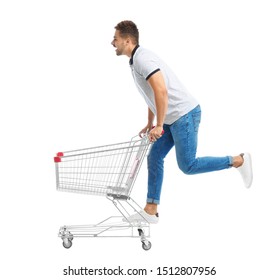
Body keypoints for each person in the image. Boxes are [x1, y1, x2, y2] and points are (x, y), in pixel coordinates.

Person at [111, 20, 253, 224]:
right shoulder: (135, 61)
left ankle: (238, 160)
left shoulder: (143, 59)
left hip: (184, 115)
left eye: (115, 38)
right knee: (155, 157)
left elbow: (161, 90)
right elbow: (151, 95)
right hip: (172, 117)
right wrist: (151, 122)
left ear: (127, 40)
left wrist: (159, 125)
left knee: (188, 166)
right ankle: (150, 210)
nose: (112, 42)